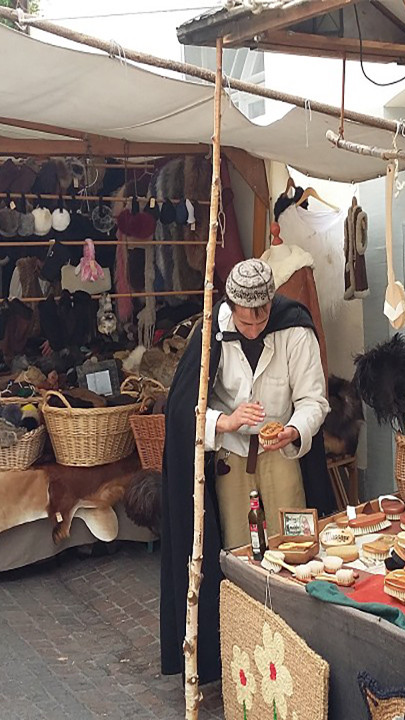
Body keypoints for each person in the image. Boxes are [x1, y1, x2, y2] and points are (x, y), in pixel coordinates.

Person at [159, 258, 335, 683]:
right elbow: (183, 410)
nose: (253, 330)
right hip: (231, 457)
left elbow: (315, 400)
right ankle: (249, 652)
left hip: (282, 456)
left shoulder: (295, 328)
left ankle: (300, 649)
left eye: (261, 321)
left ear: (271, 304)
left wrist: (293, 429)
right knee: (241, 557)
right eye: (245, 323)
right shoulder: (212, 333)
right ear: (231, 308)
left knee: (293, 547)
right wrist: (226, 421)